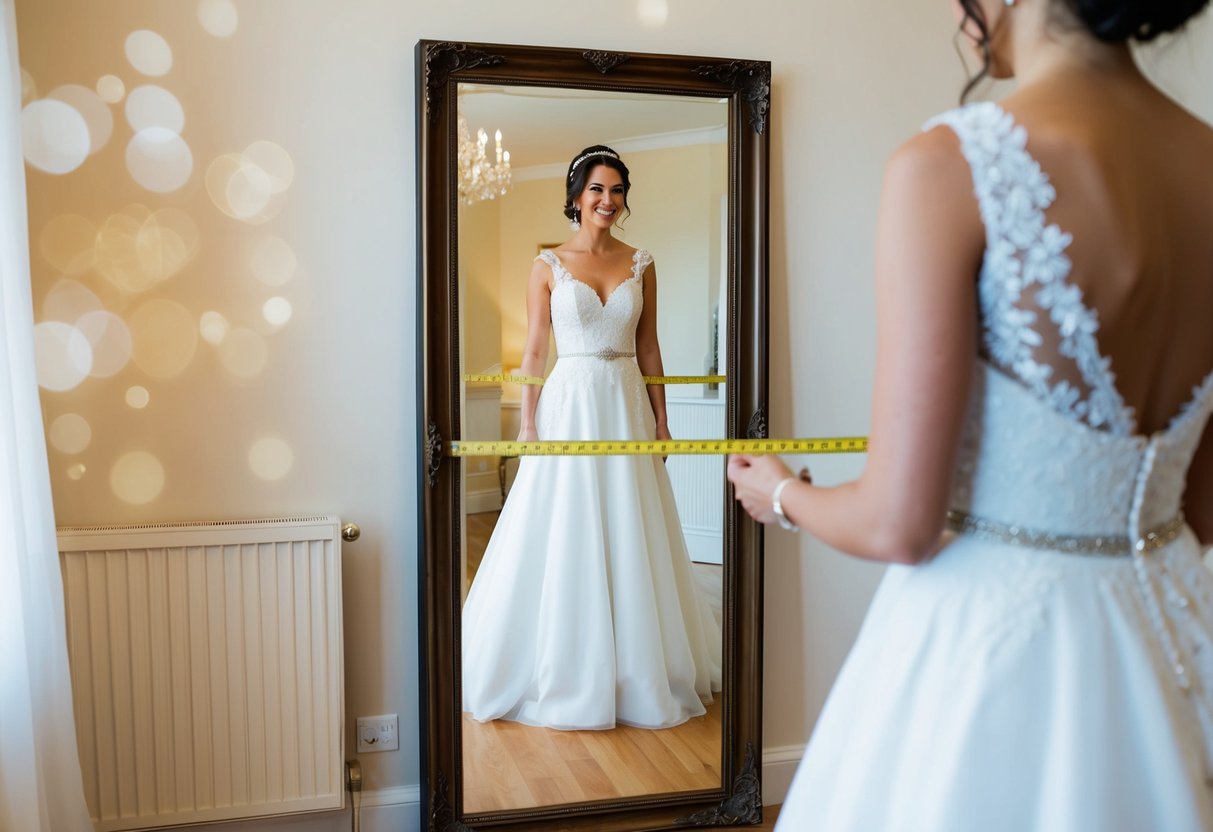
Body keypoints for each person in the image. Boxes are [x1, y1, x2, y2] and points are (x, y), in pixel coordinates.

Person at [728, 0, 1213, 828]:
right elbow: (1197, 513)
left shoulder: (955, 163)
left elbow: (898, 526)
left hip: (995, 651)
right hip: (1170, 636)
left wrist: (780, 493)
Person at [461, 145, 722, 731]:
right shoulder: (547, 265)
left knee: (633, 519)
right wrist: (526, 422)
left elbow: (651, 346)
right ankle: (563, 661)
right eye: (598, 190)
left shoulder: (641, 262)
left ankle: (637, 664)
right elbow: (533, 348)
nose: (608, 201)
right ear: (577, 196)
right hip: (570, 400)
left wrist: (662, 417)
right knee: (563, 518)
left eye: (617, 191)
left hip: (626, 398)